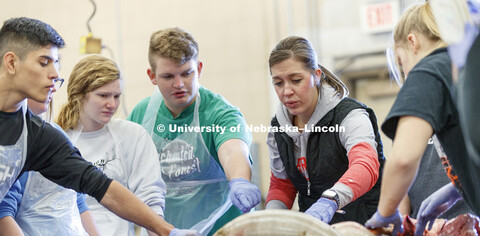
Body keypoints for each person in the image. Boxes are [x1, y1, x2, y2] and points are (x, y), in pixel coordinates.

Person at [0, 17, 195, 236]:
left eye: (56, 64)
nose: (55, 74)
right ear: (11, 63)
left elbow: (101, 187)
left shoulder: (37, 136)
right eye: (44, 62)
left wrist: (167, 231)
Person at [127, 27, 261, 235]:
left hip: (221, 230)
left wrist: (239, 181)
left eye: (186, 73)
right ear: (152, 76)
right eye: (168, 76)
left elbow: (233, 150)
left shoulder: (220, 112)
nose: (179, 84)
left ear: (198, 69)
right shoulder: (141, 115)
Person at [364, 2, 480, 236]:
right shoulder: (466, 63)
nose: (406, 74)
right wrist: (461, 188)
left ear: (412, 42)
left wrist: (386, 212)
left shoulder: (430, 68)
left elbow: (403, 159)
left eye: (401, 62)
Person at [264, 35, 385, 225]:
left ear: (316, 75)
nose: (286, 91)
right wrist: (269, 219)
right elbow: (282, 184)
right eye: (278, 83)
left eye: (296, 80)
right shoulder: (278, 128)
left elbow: (366, 164)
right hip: (315, 226)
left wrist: (331, 200)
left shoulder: (350, 116)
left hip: (364, 224)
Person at [52, 54, 167, 236]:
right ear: (79, 95)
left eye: (116, 96)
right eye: (103, 95)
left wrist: (161, 232)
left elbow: (150, 197)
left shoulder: (133, 136)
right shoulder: (55, 140)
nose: (112, 104)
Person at [0, 90, 100, 236]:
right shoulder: (11, 143)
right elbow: (3, 213)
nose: (52, 88)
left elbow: (78, 201)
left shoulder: (55, 133)